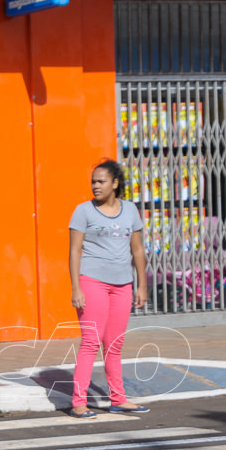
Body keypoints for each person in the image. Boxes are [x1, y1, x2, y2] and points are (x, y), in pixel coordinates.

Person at [68, 159, 150, 418]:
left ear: (115, 184)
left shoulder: (130, 210)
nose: (95, 186)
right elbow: (73, 251)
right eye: (93, 181)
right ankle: (79, 402)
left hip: (123, 285)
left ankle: (118, 399)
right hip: (92, 282)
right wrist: (76, 288)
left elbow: (137, 249)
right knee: (91, 342)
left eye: (101, 181)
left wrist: (141, 285)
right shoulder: (84, 211)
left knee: (114, 344)